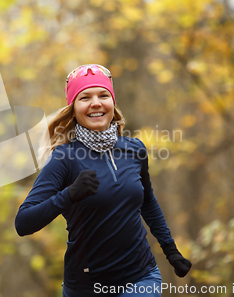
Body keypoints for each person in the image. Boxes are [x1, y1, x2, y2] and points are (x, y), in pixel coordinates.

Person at [15, 64, 191, 297]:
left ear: (112, 103)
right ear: (74, 109)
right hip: (87, 287)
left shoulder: (134, 149)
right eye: (85, 97)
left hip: (141, 277)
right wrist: (68, 195)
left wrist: (170, 250)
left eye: (103, 95)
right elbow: (23, 222)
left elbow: (147, 201)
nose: (96, 103)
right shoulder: (64, 158)